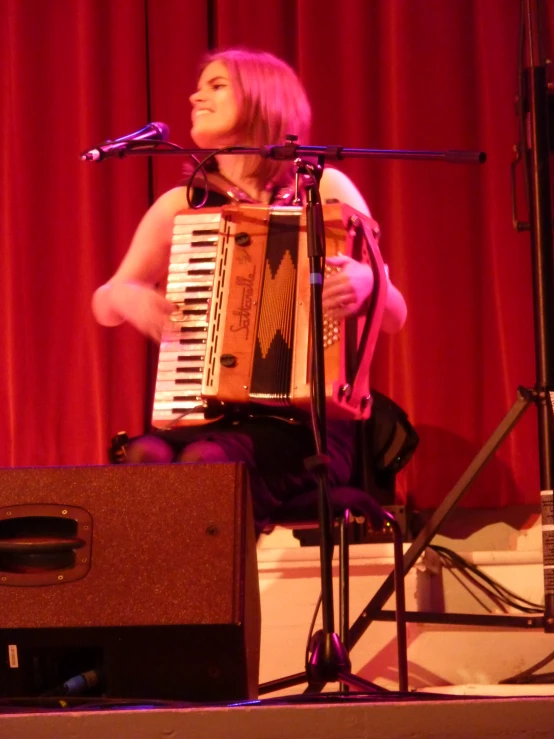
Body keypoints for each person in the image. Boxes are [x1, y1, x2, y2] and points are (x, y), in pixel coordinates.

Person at [92, 48, 407, 533]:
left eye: (217, 85)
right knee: (143, 455)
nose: (197, 95)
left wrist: (368, 283)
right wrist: (129, 296)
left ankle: (213, 606)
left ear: (263, 100)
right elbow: (106, 302)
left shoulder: (322, 189)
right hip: (207, 416)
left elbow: (396, 314)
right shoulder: (186, 203)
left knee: (206, 464)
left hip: (306, 428)